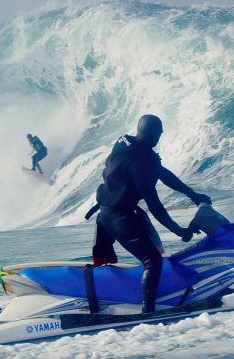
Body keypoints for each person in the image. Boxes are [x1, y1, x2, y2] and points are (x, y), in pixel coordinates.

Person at [86, 114, 211, 314]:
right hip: (119, 218)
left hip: (105, 213)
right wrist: (179, 231)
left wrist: (192, 194)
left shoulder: (125, 142)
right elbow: (155, 206)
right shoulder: (142, 162)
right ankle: (148, 313)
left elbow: (162, 172)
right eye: (160, 130)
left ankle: (106, 293)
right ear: (153, 133)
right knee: (153, 261)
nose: (162, 133)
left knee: (113, 260)